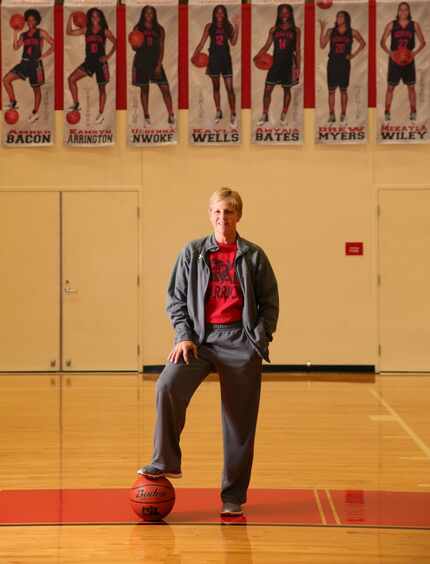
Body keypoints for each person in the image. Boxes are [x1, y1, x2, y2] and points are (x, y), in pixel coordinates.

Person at [137, 187, 279, 517]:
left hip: (239, 342)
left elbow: (269, 303)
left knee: (239, 423)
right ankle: (164, 461)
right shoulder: (193, 252)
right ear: (210, 215)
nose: (222, 217)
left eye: (228, 212)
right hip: (199, 340)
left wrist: (259, 339)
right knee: (167, 386)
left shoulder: (254, 256)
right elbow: (175, 299)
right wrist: (183, 336)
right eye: (216, 211)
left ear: (238, 216)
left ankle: (233, 496)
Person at [3, 9, 54, 124]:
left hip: (35, 65)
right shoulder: (23, 34)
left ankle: (35, 112)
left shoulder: (41, 32)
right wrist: (15, 32)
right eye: (28, 20)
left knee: (36, 89)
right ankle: (13, 102)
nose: (30, 22)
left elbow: (54, 44)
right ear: (26, 21)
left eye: (33, 20)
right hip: (24, 63)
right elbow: (16, 47)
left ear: (36, 21)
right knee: (6, 80)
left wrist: (44, 55)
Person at [66, 8, 116, 125]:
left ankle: (101, 113)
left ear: (101, 18)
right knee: (71, 79)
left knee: (101, 89)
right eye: (92, 16)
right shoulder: (86, 29)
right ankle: (76, 103)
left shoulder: (105, 31)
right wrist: (71, 15)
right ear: (89, 18)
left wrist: (108, 56)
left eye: (97, 16)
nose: (95, 19)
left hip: (100, 63)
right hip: (89, 62)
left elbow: (116, 42)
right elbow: (69, 32)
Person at [192, 5, 239, 128]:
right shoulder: (209, 26)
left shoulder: (228, 26)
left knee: (230, 88)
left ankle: (233, 113)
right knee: (216, 87)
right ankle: (218, 111)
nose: (219, 15)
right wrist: (194, 55)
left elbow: (233, 43)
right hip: (213, 60)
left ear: (224, 14)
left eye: (222, 12)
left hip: (225, 60)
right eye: (217, 12)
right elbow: (202, 42)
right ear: (214, 14)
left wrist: (237, 26)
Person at [254, 4, 301, 127]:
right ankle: (265, 114)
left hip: (289, 63)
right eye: (281, 12)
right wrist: (258, 55)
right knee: (267, 90)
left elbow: (298, 50)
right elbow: (267, 45)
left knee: (287, 89)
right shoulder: (273, 29)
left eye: (286, 12)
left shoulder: (296, 30)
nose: (284, 15)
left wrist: (298, 68)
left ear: (290, 14)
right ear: (278, 14)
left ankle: (284, 113)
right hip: (275, 63)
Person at [380, 1, 425, 122]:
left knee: (411, 87)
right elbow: (382, 42)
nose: (403, 12)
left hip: (408, 61)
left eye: (405, 9)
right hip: (395, 61)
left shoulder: (414, 25)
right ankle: (387, 111)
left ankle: (413, 111)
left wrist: (413, 53)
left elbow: (423, 42)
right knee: (390, 87)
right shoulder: (391, 24)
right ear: (398, 11)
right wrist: (391, 53)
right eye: (401, 9)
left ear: (409, 11)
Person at [131, 5, 175, 127]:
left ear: (154, 15)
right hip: (141, 61)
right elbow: (134, 47)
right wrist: (134, 44)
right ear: (143, 14)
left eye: (151, 13)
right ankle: (146, 116)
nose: (149, 15)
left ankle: (171, 114)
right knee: (144, 89)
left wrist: (159, 64)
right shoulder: (137, 27)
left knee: (165, 89)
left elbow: (161, 48)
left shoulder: (160, 29)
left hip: (155, 62)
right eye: (147, 13)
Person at [319, 10, 366, 123]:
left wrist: (353, 55)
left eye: (340, 16)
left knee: (343, 91)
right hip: (333, 63)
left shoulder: (352, 32)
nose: (338, 18)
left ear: (346, 19)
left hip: (344, 64)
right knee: (331, 91)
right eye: (337, 16)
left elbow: (363, 43)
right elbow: (322, 45)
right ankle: (331, 114)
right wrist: (322, 29)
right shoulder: (331, 31)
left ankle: (343, 113)